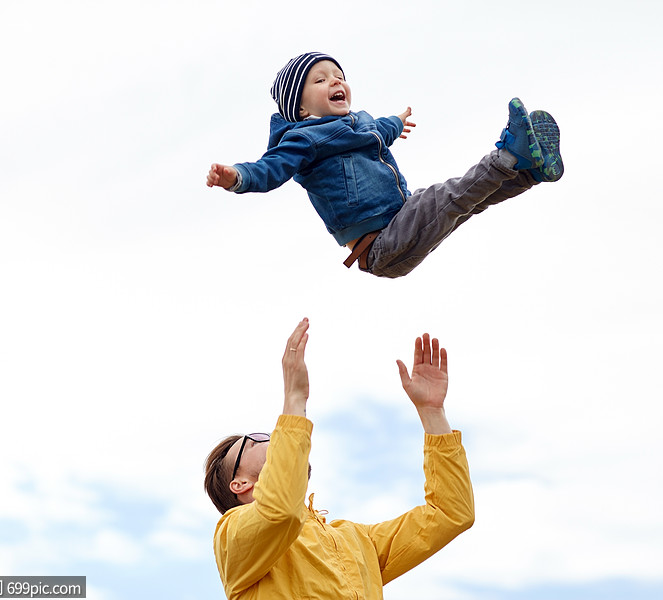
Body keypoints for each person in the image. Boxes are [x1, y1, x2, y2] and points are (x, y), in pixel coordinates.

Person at [206, 51, 564, 278]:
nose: (335, 80)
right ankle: (510, 155)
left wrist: (396, 121)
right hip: (380, 246)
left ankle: (528, 172)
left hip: (399, 223)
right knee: (447, 196)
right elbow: (270, 168)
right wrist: (236, 176)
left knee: (466, 202)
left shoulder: (357, 123)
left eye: (338, 75)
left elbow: (378, 130)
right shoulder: (302, 139)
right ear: (300, 110)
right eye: (319, 80)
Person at [203, 318, 475, 599]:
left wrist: (432, 413)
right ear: (240, 483)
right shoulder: (232, 536)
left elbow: (450, 514)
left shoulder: (356, 541)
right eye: (256, 441)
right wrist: (294, 400)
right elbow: (281, 511)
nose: (274, 438)